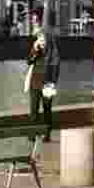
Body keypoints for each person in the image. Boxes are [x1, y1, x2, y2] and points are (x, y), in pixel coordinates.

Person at [25, 10, 60, 142]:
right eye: (33, 20)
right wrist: (35, 49)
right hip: (35, 80)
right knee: (33, 109)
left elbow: (56, 63)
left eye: (36, 20)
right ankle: (32, 134)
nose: (33, 22)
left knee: (47, 109)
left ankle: (46, 134)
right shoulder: (36, 42)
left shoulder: (51, 45)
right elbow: (29, 61)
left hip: (48, 81)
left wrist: (53, 81)